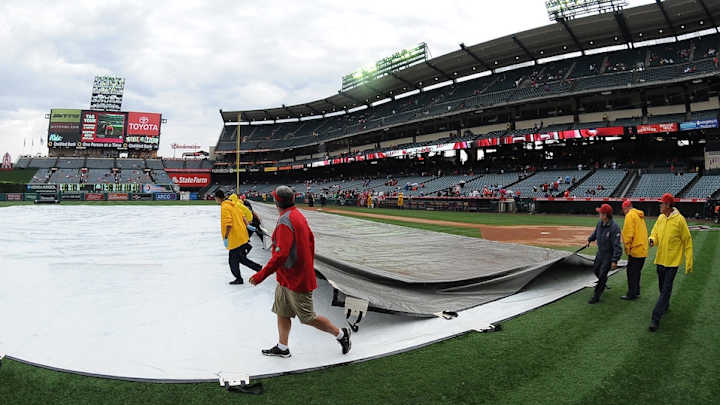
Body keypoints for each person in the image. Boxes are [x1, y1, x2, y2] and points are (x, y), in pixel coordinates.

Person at [249, 186, 351, 357]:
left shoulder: (285, 221)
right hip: (287, 277)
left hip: (296, 278)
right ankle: (283, 347)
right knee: (282, 312)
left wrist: (260, 276)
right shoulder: (297, 215)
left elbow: (280, 256)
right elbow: (310, 241)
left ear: (276, 202)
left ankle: (341, 334)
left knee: (308, 317)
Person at [647, 193, 693, 332]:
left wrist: (689, 261)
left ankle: (655, 318)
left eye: (662, 203)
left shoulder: (680, 220)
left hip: (672, 263)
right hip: (660, 260)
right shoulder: (661, 218)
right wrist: (652, 240)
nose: (660, 205)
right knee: (663, 289)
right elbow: (655, 233)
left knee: (665, 290)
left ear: (668, 205)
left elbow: (687, 241)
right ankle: (665, 305)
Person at [215, 190, 262, 285]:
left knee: (232, 260)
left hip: (235, 238)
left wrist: (226, 237)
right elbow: (243, 215)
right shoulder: (233, 204)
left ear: (217, 198)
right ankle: (258, 268)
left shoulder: (225, 207)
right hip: (242, 235)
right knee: (240, 258)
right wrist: (247, 225)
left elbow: (228, 224)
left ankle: (239, 278)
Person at [585, 204, 622, 304]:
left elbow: (617, 246)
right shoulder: (600, 223)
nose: (599, 215)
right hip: (600, 253)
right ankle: (603, 282)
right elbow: (595, 233)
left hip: (608, 255)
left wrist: (614, 260)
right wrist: (589, 240)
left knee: (602, 275)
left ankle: (596, 296)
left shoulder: (614, 228)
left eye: (600, 213)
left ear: (605, 215)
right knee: (595, 270)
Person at [620, 200, 648, 300]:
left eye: (623, 209)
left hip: (635, 250)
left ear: (626, 208)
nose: (623, 212)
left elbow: (628, 235)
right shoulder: (639, 215)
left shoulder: (630, 216)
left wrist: (627, 250)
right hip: (643, 249)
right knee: (637, 272)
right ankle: (636, 291)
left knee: (631, 273)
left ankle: (631, 294)